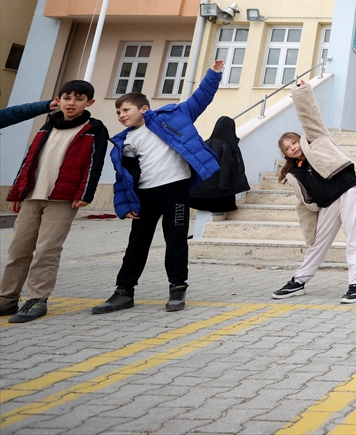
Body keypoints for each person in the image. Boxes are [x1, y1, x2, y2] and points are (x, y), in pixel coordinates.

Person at [93, 61, 225, 315]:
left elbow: (201, 98)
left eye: (126, 109)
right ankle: (124, 291)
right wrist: (125, 205)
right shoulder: (125, 141)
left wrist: (214, 74)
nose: (121, 115)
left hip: (175, 190)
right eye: (118, 112)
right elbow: (124, 178)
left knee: (176, 241)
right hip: (145, 195)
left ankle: (177, 287)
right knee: (137, 244)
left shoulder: (173, 117)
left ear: (144, 108)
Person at [1, 81, 106, 323]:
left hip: (63, 198)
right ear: (58, 100)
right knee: (18, 250)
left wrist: (85, 193)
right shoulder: (47, 125)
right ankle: (7, 299)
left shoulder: (94, 129)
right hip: (32, 196)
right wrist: (17, 193)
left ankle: (37, 299)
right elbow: (29, 160)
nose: (72, 103)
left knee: (47, 250)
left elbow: (94, 164)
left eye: (79, 99)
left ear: (89, 102)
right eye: (67, 98)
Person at [272, 78, 356, 304]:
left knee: (355, 239)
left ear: (300, 139)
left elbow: (310, 117)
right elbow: (304, 201)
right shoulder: (294, 172)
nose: (293, 148)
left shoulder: (317, 141)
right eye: (288, 148)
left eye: (294, 142)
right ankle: (299, 281)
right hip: (327, 205)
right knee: (317, 245)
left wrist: (302, 92)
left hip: (347, 191)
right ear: (286, 154)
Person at [189, 116, 250, 214]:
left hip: (196, 197)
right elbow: (225, 168)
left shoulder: (205, 144)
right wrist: (223, 188)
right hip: (218, 199)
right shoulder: (226, 146)